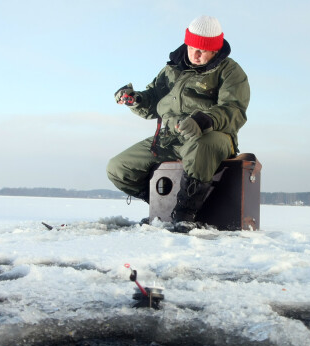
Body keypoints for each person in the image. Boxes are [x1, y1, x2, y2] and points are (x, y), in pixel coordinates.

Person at [106, 15, 250, 224]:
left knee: (201, 146)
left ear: (215, 49)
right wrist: (135, 99)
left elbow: (234, 109)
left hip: (212, 137)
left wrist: (202, 121)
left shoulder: (230, 71)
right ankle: (164, 207)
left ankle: (184, 217)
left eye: (203, 50)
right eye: (192, 47)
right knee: (118, 168)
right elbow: (153, 100)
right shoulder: (172, 69)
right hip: (170, 137)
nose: (196, 54)